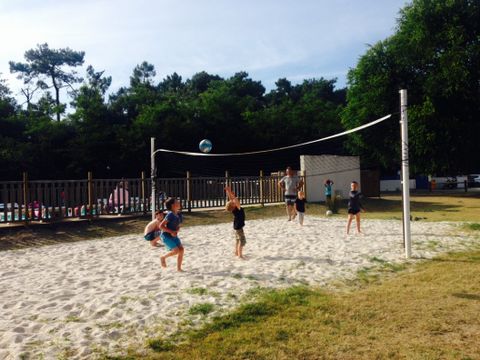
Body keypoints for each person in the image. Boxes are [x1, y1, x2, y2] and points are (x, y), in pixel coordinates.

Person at [159, 197, 184, 271]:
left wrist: (177, 230)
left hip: (173, 235)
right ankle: (163, 257)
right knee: (176, 251)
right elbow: (161, 226)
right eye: (177, 202)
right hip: (166, 236)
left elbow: (178, 225)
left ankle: (179, 269)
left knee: (181, 250)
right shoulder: (170, 215)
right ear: (173, 205)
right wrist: (171, 232)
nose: (179, 202)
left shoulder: (179, 214)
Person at [225, 186, 246, 259]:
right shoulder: (238, 208)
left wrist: (228, 191)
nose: (234, 201)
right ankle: (240, 255)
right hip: (239, 227)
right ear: (234, 206)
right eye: (233, 203)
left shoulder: (234, 209)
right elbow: (235, 199)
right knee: (242, 241)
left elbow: (232, 199)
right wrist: (230, 192)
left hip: (236, 227)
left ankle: (236, 252)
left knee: (237, 240)